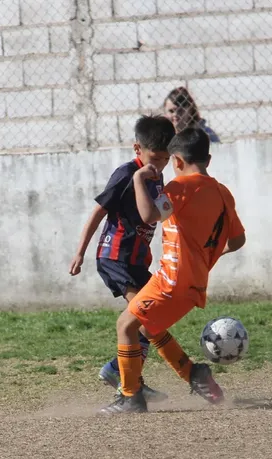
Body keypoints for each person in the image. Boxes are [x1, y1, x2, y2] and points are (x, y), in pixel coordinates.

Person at [100, 128, 246, 415]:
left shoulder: (180, 188)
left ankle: (130, 397)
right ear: (208, 159)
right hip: (195, 286)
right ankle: (195, 374)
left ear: (176, 161)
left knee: (125, 326)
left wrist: (138, 179)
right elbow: (238, 240)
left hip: (170, 280)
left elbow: (149, 215)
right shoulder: (223, 193)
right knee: (147, 326)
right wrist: (207, 256)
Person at [69, 115, 176, 402]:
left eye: (166, 159)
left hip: (136, 261)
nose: (160, 164)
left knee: (150, 318)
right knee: (144, 317)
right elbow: (98, 212)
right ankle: (126, 381)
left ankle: (123, 373)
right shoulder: (126, 174)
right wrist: (80, 252)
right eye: (155, 158)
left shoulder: (156, 176)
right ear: (137, 148)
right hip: (115, 257)